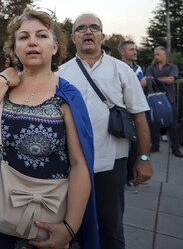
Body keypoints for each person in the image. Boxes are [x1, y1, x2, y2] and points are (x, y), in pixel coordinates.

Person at [0, 9, 99, 249]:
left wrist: (69, 228)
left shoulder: (66, 97)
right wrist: (2, 81)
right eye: (24, 37)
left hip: (44, 219)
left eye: (42, 36)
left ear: (55, 47)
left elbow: (80, 165)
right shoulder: (2, 89)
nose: (33, 42)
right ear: (14, 48)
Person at [57, 13, 152, 249]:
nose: (88, 32)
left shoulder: (122, 71)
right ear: (73, 37)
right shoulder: (60, 74)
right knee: (70, 225)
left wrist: (143, 158)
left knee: (111, 227)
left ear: (102, 35)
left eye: (94, 27)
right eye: (81, 28)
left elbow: (139, 116)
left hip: (111, 162)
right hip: (69, 163)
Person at [143, 46, 183, 158]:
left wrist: (154, 80)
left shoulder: (173, 67)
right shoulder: (151, 67)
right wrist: (159, 80)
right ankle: (155, 146)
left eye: (158, 54)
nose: (156, 56)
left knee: (173, 124)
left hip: (169, 99)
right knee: (153, 123)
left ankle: (175, 148)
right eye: (155, 54)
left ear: (165, 55)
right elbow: (147, 80)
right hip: (154, 100)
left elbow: (171, 80)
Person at [118, 40, 144, 194]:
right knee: (124, 149)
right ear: (122, 52)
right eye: (131, 49)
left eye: (135, 49)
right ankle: (125, 180)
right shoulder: (117, 68)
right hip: (123, 114)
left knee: (134, 147)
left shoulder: (137, 68)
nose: (135, 52)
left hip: (135, 112)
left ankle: (132, 176)